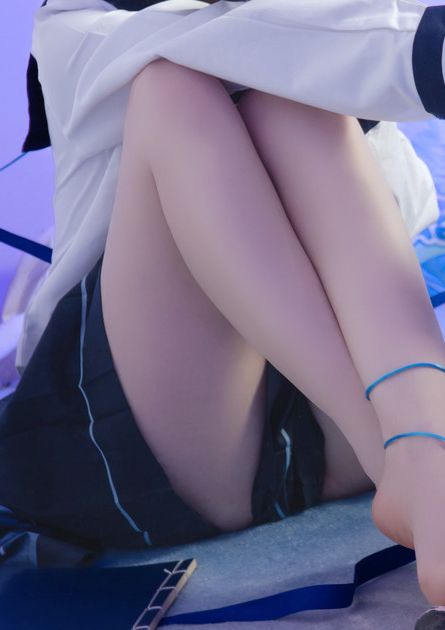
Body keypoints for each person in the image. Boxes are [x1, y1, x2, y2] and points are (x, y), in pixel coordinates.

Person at [2, 0, 445, 607]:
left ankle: (422, 451)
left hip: (362, 401)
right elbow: (233, 40)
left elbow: (408, 200)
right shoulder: (76, 22)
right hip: (184, 442)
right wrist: (419, 51)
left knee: (293, 92)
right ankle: (410, 466)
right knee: (173, 83)